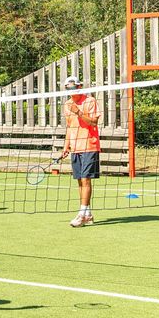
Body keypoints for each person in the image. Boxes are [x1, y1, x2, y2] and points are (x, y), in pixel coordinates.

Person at [58, 76, 100, 228]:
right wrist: (66, 146)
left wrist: (79, 112)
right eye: (68, 89)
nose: (71, 91)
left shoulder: (90, 101)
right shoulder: (67, 104)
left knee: (86, 179)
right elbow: (69, 127)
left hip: (90, 145)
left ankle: (81, 214)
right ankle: (88, 214)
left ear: (79, 86)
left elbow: (94, 122)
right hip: (75, 148)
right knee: (79, 181)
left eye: (73, 88)